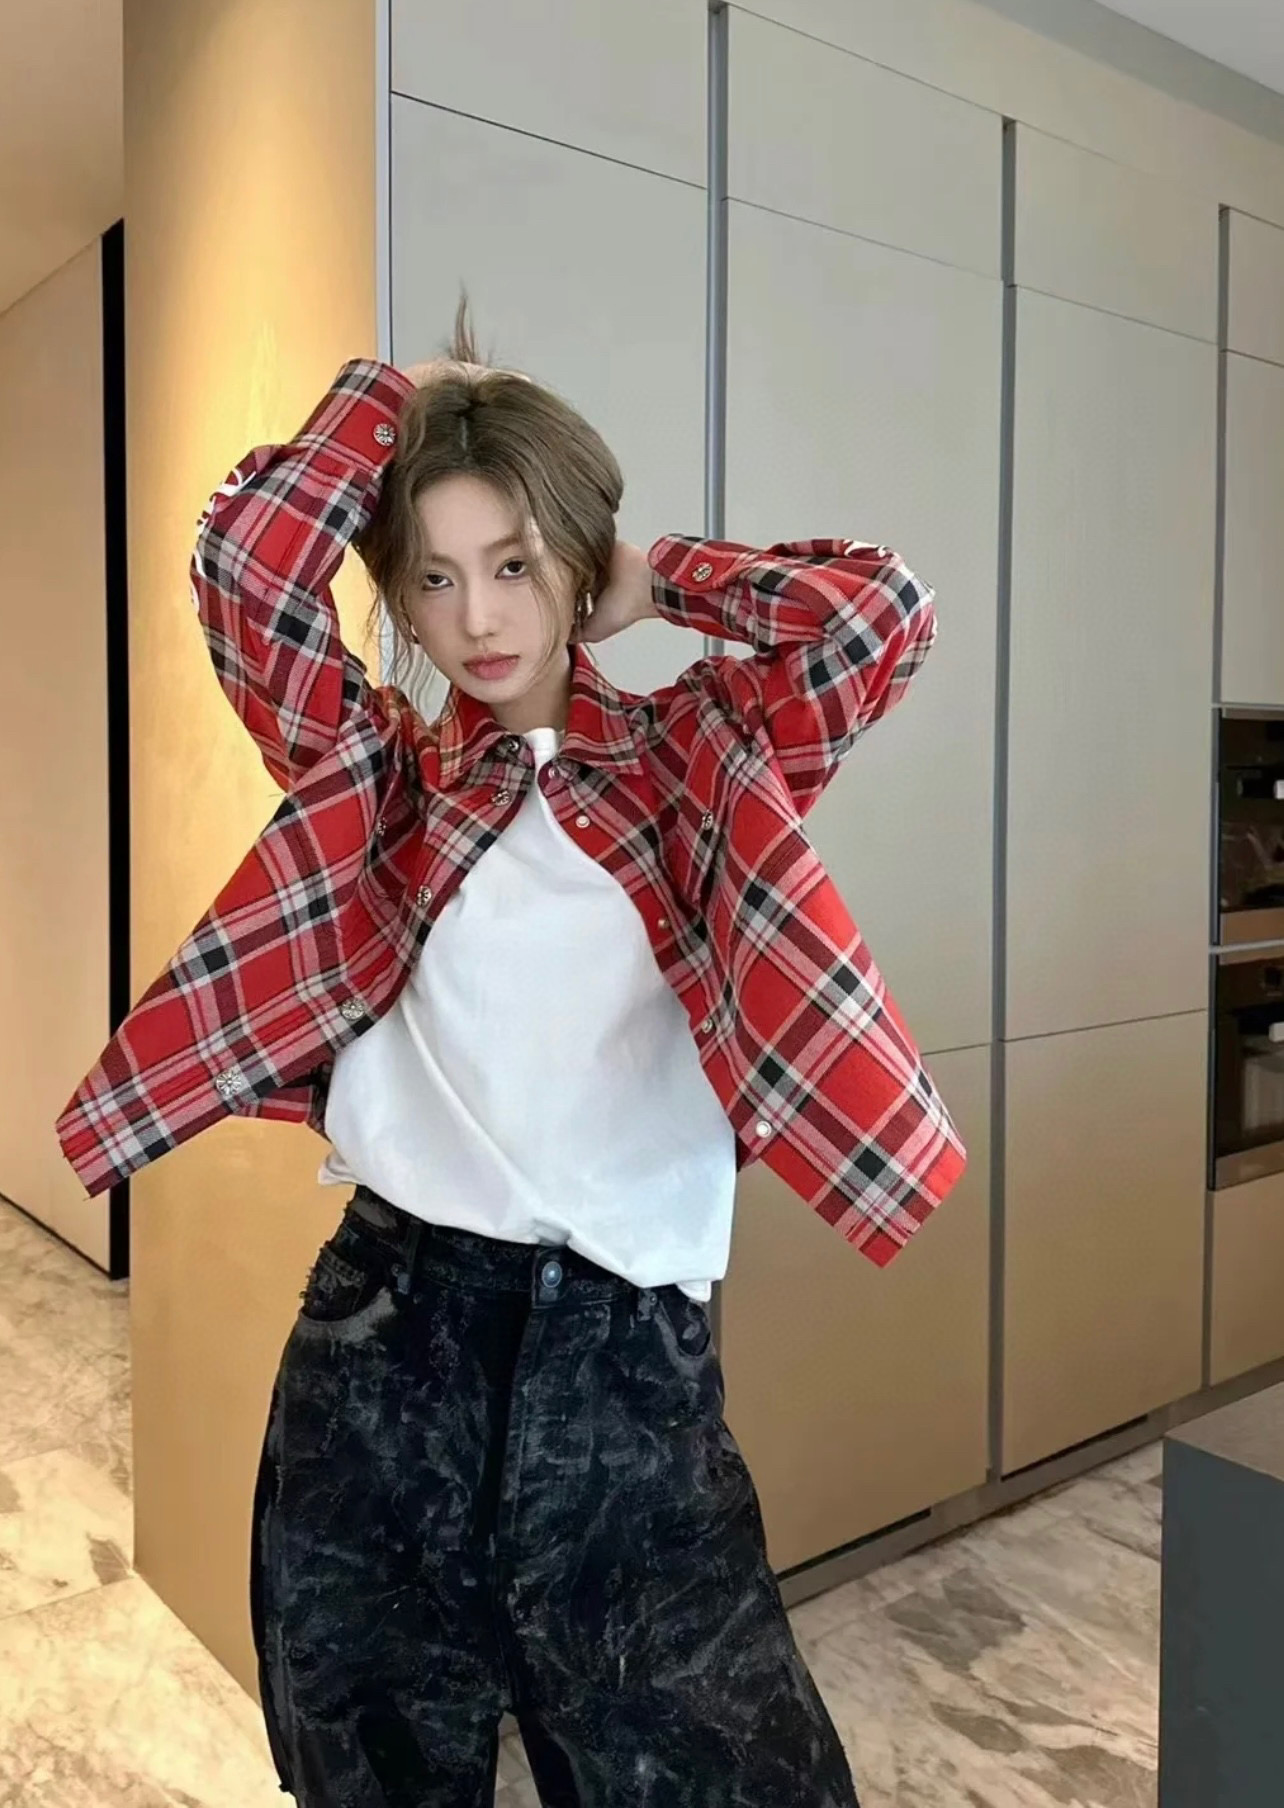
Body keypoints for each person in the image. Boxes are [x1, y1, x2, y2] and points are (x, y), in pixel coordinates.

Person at [55, 301, 966, 1805]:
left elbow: (880, 619)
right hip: (390, 1337)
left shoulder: (699, 756)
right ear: (402, 604)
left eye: (517, 564)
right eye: (435, 577)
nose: (478, 617)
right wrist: (402, 400)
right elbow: (246, 570)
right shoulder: (381, 774)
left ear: (575, 565)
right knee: (372, 1774)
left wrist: (659, 576)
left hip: (627, 1366)